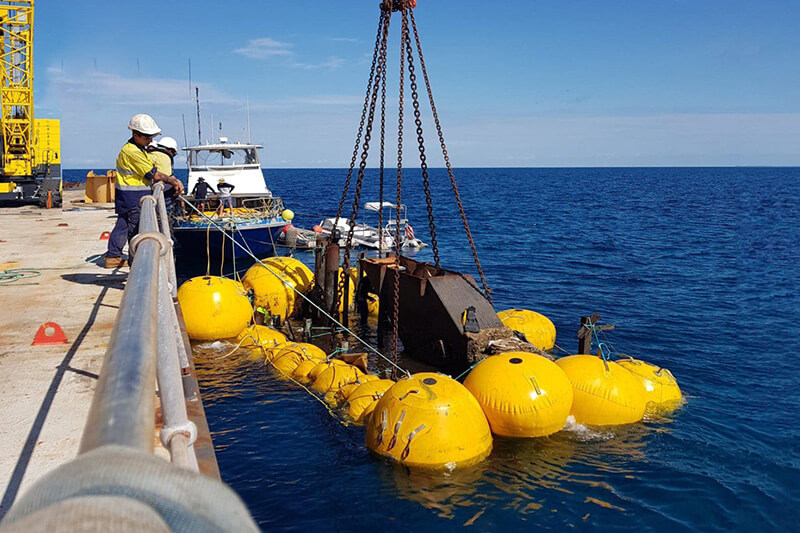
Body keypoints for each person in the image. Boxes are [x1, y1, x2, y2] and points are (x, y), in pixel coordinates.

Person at [105, 114, 184, 269]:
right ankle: (135, 264)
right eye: (147, 137)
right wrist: (174, 180)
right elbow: (153, 174)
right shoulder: (132, 152)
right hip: (134, 197)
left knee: (122, 225)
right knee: (134, 231)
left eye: (151, 137)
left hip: (126, 195)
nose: (150, 140)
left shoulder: (138, 149)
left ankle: (113, 255)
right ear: (136, 135)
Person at [147, 136, 180, 214]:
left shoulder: (149, 154)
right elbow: (162, 176)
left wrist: (177, 181)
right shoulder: (164, 157)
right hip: (157, 192)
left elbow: (169, 175)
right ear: (170, 150)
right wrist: (175, 183)